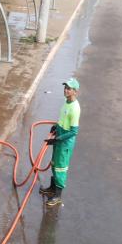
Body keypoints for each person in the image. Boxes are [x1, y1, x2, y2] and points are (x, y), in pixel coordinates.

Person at [40, 78, 81, 207]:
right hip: (60, 137)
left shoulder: (75, 108)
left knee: (60, 168)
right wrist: (56, 127)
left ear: (75, 91)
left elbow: (74, 131)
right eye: (65, 87)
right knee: (53, 164)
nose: (66, 90)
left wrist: (57, 139)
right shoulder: (65, 102)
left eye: (69, 89)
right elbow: (62, 119)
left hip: (65, 143)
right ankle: (52, 189)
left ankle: (58, 196)